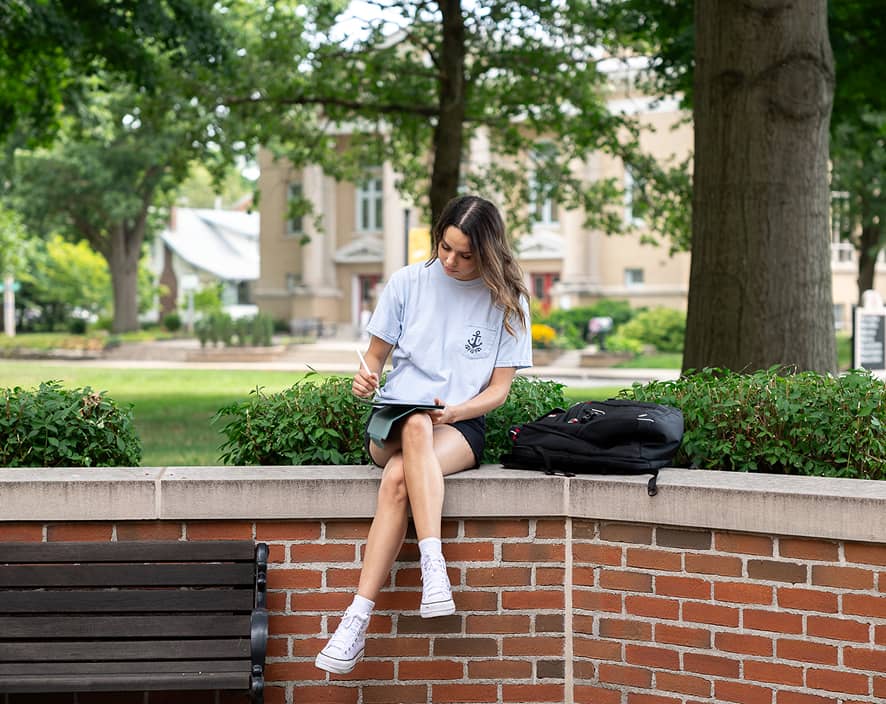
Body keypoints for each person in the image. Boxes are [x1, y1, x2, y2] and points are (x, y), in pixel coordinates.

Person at [315, 194, 533, 675]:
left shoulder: (508, 301)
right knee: (413, 422)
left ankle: (354, 621)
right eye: (445, 247)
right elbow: (373, 357)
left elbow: (498, 391)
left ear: (489, 252)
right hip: (394, 418)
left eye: (465, 255)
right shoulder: (407, 283)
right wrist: (365, 377)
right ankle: (434, 566)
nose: (451, 261)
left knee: (398, 481)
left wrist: (456, 411)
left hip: (457, 422)